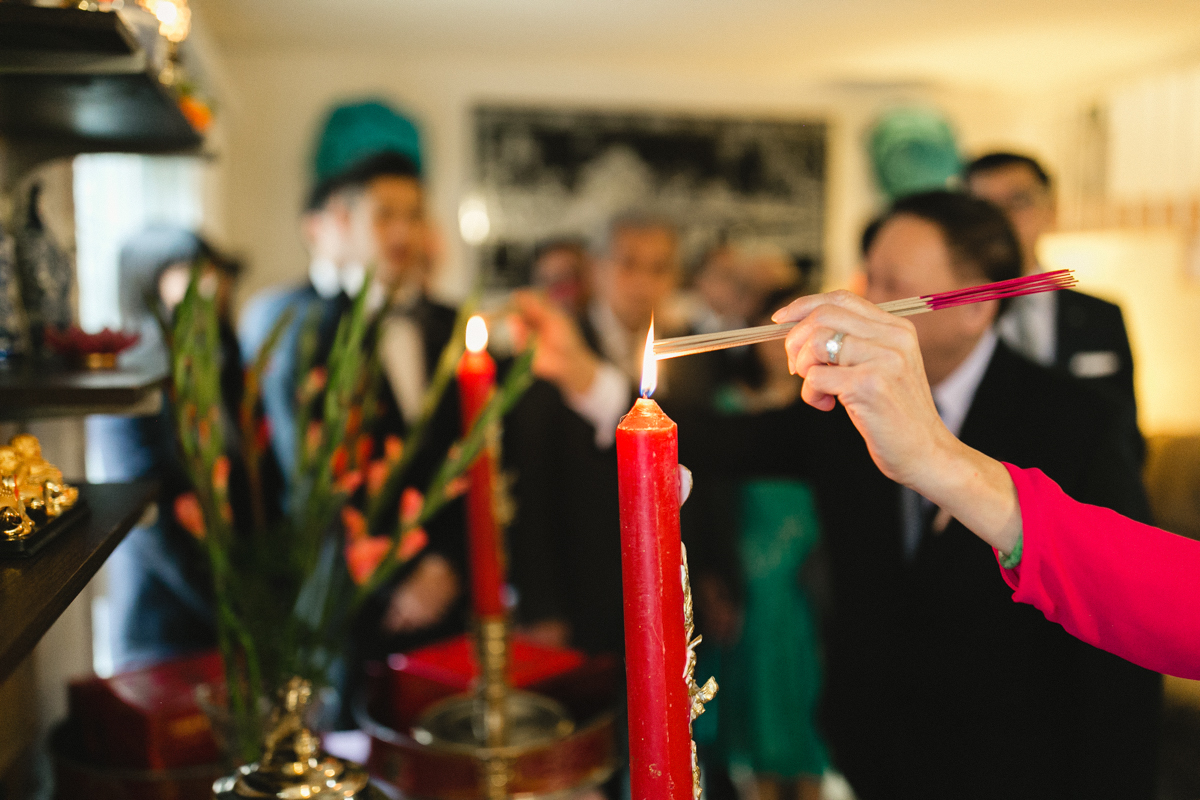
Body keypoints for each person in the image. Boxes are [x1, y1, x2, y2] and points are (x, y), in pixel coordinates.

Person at [679, 190, 1160, 800]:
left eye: (891, 286)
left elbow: (1120, 636)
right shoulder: (843, 405)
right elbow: (726, 441)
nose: (861, 303)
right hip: (873, 754)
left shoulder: (1079, 425)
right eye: (866, 277)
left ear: (976, 307)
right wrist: (605, 388)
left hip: (1022, 764)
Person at [771, 286, 1200, 679]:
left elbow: (1164, 600)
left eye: (894, 283)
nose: (875, 299)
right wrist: (937, 459)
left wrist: (937, 458)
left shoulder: (1079, 413)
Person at [239, 101, 462, 661]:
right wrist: (395, 578)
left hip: (446, 599)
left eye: (413, 215)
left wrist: (445, 565)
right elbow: (312, 474)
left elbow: (465, 452)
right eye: (385, 215)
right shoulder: (307, 329)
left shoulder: (452, 324)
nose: (402, 231)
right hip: (348, 603)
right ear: (345, 221)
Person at [89, 228, 260, 669]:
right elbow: (150, 514)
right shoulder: (133, 380)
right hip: (166, 622)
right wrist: (233, 607)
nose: (208, 286)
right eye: (186, 272)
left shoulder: (223, 360)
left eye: (210, 271)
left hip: (234, 607)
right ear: (148, 283)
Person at [965, 152, 1137, 404]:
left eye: (1019, 201)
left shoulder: (1102, 317)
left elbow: (1124, 428)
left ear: (1051, 209)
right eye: (985, 207)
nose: (1002, 218)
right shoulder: (950, 320)